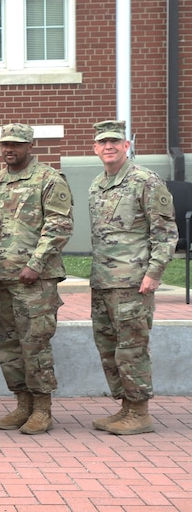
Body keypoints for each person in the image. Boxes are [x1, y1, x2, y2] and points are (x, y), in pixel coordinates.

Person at [0, 123, 73, 435]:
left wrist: (36, 263)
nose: (10, 150)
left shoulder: (48, 179)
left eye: (16, 145)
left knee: (35, 344)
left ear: (29, 146)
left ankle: (42, 409)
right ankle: (22, 403)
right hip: (1, 280)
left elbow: (59, 225)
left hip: (35, 280)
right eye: (5, 144)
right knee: (7, 345)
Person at [88, 120, 177, 435]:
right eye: (103, 142)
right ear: (95, 148)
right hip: (102, 281)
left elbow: (165, 232)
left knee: (131, 348)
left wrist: (154, 273)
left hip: (133, 283)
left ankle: (140, 412)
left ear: (126, 145)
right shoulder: (97, 184)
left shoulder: (145, 181)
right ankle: (125, 406)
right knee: (108, 347)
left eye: (115, 141)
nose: (108, 146)